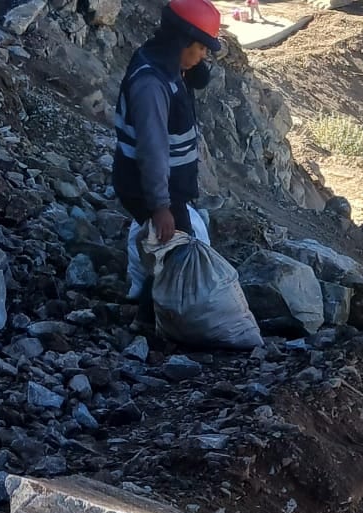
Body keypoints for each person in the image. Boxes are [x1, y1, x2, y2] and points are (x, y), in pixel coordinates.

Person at [113, 0, 222, 296]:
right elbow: (153, 149)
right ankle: (153, 314)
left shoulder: (168, 64)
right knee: (175, 257)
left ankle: (154, 305)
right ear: (182, 41)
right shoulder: (152, 83)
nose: (203, 56)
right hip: (147, 186)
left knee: (170, 252)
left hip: (167, 185)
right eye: (201, 48)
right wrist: (160, 207)